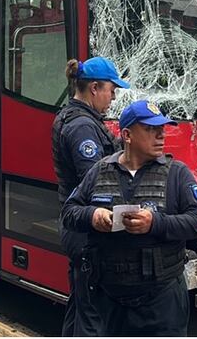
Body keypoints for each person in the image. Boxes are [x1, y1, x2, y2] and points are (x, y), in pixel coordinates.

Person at [61, 100, 197, 337]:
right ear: (127, 135)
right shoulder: (99, 170)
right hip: (108, 299)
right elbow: (69, 212)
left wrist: (155, 223)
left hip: (162, 301)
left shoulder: (177, 173)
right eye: (151, 129)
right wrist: (92, 215)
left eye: (162, 128)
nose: (161, 135)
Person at [53, 57, 129, 337]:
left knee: (80, 305)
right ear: (94, 88)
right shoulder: (82, 127)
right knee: (93, 315)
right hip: (87, 231)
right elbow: (97, 182)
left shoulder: (76, 117)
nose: (113, 97)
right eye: (112, 89)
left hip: (77, 226)